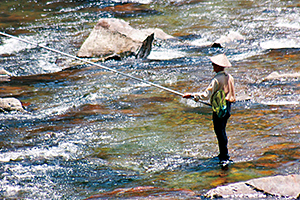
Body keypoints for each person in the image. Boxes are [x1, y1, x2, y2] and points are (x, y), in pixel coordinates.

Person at [183, 54, 235, 165]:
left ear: (218, 66)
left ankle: (224, 157)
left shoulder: (216, 79)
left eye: (213, 64)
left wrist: (192, 95)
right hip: (228, 107)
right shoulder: (230, 77)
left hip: (219, 108)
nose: (212, 66)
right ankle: (224, 154)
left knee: (219, 131)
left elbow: (206, 95)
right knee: (222, 131)